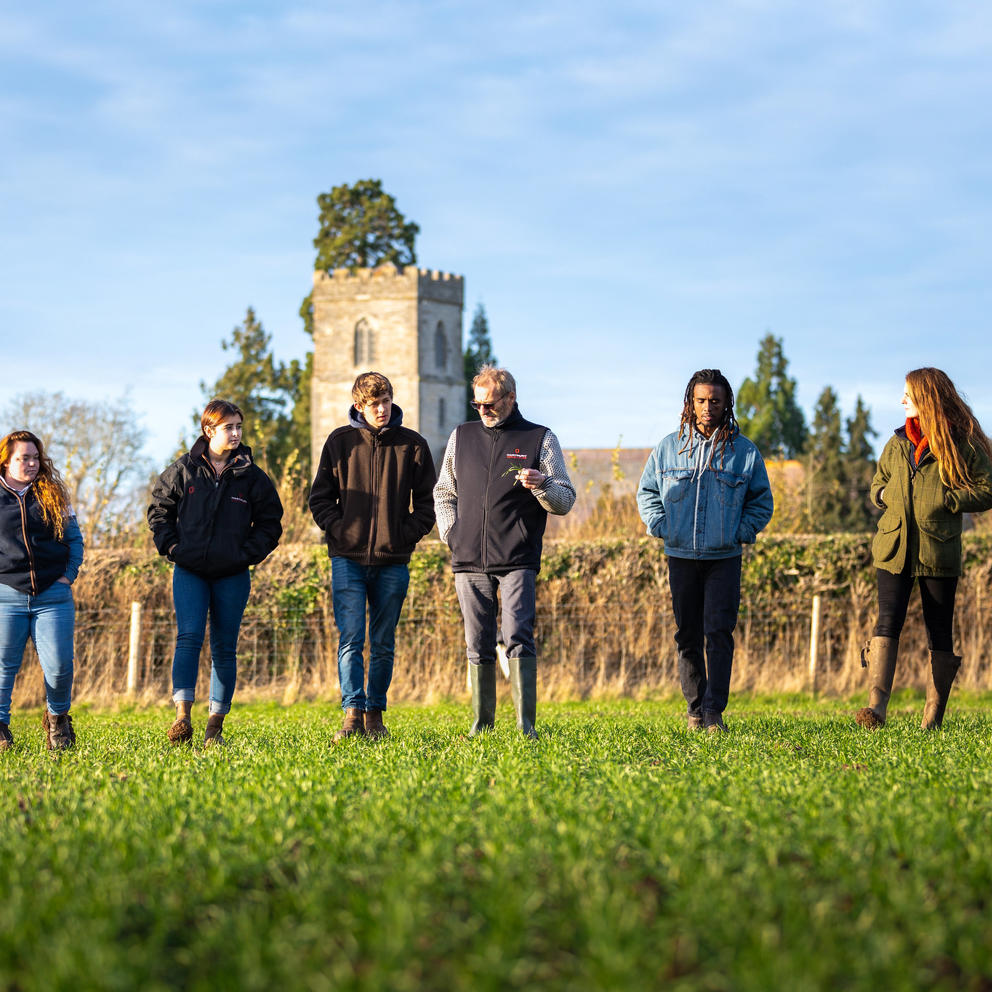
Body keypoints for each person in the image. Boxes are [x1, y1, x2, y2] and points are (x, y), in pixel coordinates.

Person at [434, 365, 576, 738]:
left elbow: (565, 501)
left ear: (511, 398)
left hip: (517, 558)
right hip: (467, 559)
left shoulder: (540, 439)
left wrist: (543, 485)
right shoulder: (461, 436)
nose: (482, 411)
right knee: (477, 641)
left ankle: (525, 727)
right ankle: (482, 726)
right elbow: (443, 492)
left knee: (517, 635)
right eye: (477, 404)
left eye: (490, 404)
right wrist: (452, 533)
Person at [637, 369, 773, 733]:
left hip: (724, 559)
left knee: (719, 633)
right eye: (701, 400)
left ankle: (714, 711)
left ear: (727, 402)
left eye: (715, 400)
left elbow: (762, 503)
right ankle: (695, 708)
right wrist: (664, 528)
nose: (708, 407)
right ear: (690, 403)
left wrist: (737, 533)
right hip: (680, 557)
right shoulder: (668, 448)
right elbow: (647, 494)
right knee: (687, 634)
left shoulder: (744, 453)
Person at [856, 368, 992, 731]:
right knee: (887, 622)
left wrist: (948, 499)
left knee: (939, 631)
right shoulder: (897, 441)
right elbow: (877, 484)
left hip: (938, 549)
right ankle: (875, 710)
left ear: (927, 397)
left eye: (908, 395)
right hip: (893, 547)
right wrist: (884, 495)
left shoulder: (962, 442)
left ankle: (932, 719)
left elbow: (987, 489)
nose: (902, 401)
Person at [309, 372, 437, 742]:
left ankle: (375, 716)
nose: (381, 409)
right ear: (359, 406)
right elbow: (320, 499)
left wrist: (403, 537)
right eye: (373, 404)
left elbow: (428, 505)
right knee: (351, 638)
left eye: (386, 401)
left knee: (383, 642)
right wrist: (341, 531)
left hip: (393, 562)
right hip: (346, 559)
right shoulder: (340, 442)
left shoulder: (413, 445)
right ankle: (352, 714)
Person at [148, 400, 283, 746]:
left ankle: (214, 728)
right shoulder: (183, 470)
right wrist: (173, 548)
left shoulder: (252, 477)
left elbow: (270, 523)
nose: (236, 433)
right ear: (209, 431)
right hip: (190, 571)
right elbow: (159, 510)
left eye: (239, 426)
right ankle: (182, 718)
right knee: (188, 639)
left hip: (233, 575)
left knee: (225, 648)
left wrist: (246, 555)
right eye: (229, 427)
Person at [0, 430, 84, 751]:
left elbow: (74, 539)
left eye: (36, 457)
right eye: (24, 458)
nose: (32, 464)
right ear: (6, 461)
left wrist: (68, 576)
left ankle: (58, 722)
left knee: (60, 666)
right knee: (4, 666)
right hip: (5, 594)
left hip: (53, 595)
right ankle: (1, 729)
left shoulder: (53, 495)